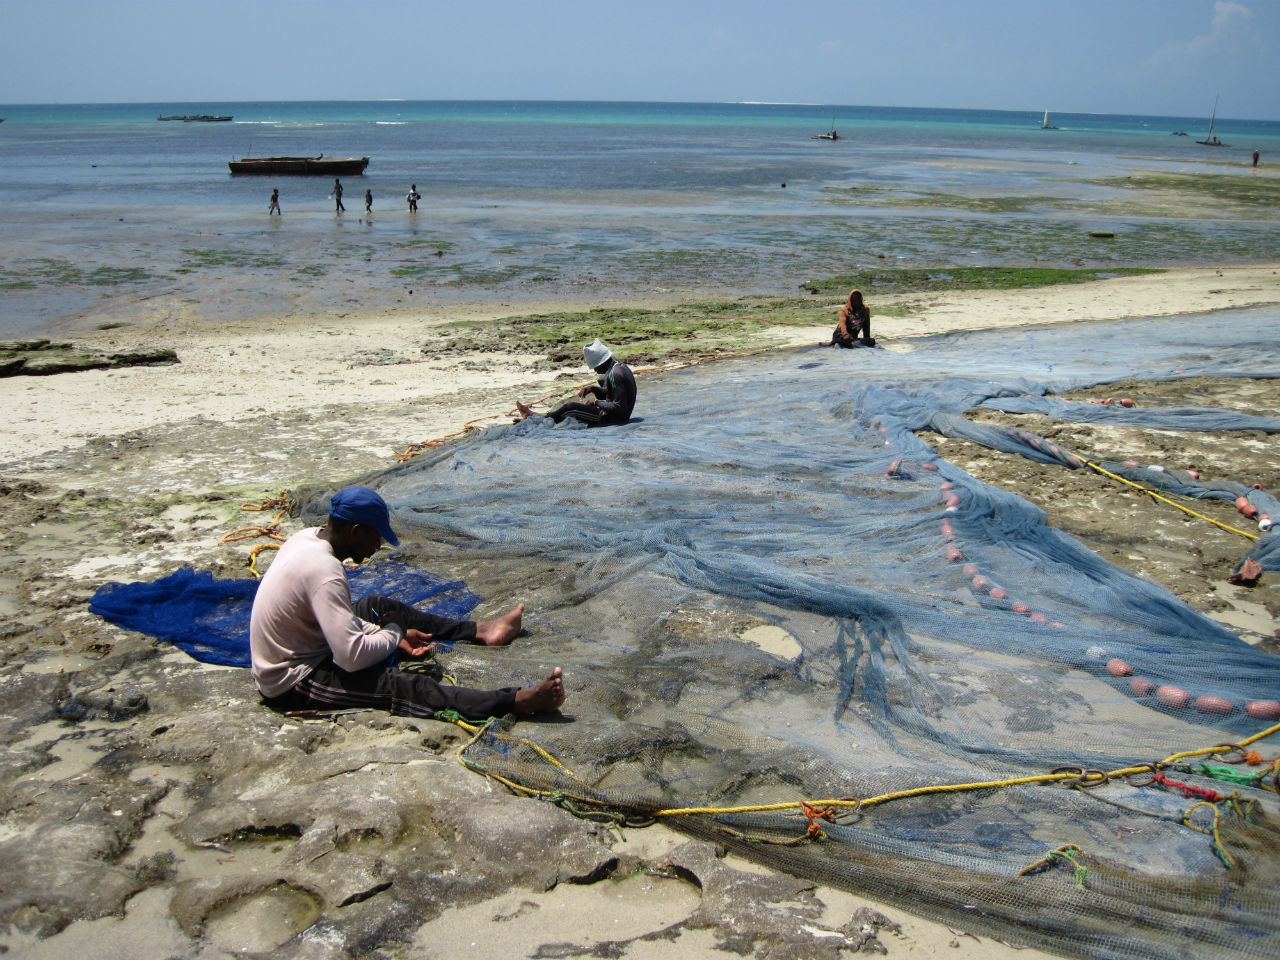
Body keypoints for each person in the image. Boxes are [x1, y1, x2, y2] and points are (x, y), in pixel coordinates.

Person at [250, 486, 565, 720]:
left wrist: (387, 634)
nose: (378, 546)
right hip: (293, 680)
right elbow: (350, 658)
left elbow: (338, 620)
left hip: (314, 646)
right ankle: (515, 702)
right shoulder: (324, 570)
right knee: (400, 685)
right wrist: (392, 635)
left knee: (376, 604)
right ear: (356, 531)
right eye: (377, 538)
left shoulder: (308, 538)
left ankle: (480, 630)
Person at [516, 338, 636, 427]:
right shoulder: (619, 367)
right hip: (615, 415)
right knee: (573, 408)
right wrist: (594, 389)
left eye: (595, 366)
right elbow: (614, 394)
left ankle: (535, 419)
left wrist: (596, 402)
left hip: (611, 418)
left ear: (601, 362)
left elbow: (619, 407)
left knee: (571, 408)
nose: (595, 370)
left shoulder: (615, 375)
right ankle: (541, 417)